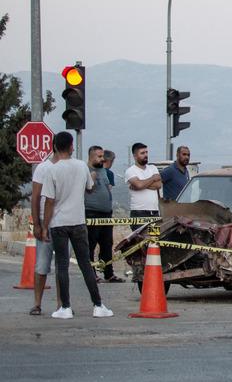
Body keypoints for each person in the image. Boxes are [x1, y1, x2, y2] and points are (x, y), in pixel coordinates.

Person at [41, 132, 112, 319]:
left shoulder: (52, 171)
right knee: (85, 265)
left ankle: (65, 307)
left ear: (55, 147)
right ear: (72, 146)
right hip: (78, 222)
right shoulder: (81, 166)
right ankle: (98, 305)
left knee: (62, 265)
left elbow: (49, 201)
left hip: (58, 224)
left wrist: (44, 226)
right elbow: (90, 187)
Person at [28, 148, 63, 316]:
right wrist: (37, 224)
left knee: (61, 266)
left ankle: (61, 304)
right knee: (42, 265)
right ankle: (37, 303)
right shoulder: (43, 168)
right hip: (45, 223)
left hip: (65, 224)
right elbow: (35, 197)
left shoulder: (70, 167)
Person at [85, 145, 122, 282]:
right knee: (90, 245)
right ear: (91, 156)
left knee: (107, 244)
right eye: (99, 157)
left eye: (103, 157)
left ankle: (108, 273)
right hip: (91, 214)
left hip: (106, 213)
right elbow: (88, 189)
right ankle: (91, 274)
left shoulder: (103, 171)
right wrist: (92, 179)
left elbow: (107, 187)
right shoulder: (86, 170)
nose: (102, 159)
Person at [126, 142, 162, 220]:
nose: (145, 155)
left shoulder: (153, 168)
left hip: (154, 212)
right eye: (142, 153)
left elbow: (159, 185)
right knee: (141, 232)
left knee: (154, 233)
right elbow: (139, 185)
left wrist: (141, 185)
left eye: (146, 152)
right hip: (139, 213)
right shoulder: (130, 171)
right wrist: (152, 178)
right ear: (135, 156)